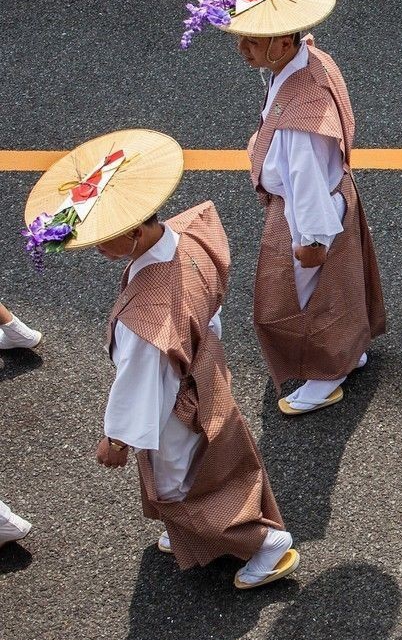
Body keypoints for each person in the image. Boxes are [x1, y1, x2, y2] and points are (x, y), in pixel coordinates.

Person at [22, 129, 298, 589]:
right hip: (204, 366)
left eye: (104, 240)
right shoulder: (187, 234)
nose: (97, 249)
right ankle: (201, 530)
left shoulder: (148, 317)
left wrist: (117, 439)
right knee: (211, 461)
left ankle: (263, 544)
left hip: (177, 397)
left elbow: (143, 380)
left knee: (177, 483)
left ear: (134, 232)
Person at [184, 0, 385, 415]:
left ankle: (326, 375)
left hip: (305, 214)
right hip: (335, 198)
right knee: (341, 288)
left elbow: (306, 183)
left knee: (300, 300)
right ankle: (348, 352)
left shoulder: (300, 120)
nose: (242, 49)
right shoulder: (314, 60)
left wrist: (310, 240)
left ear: (284, 40)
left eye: (252, 41)